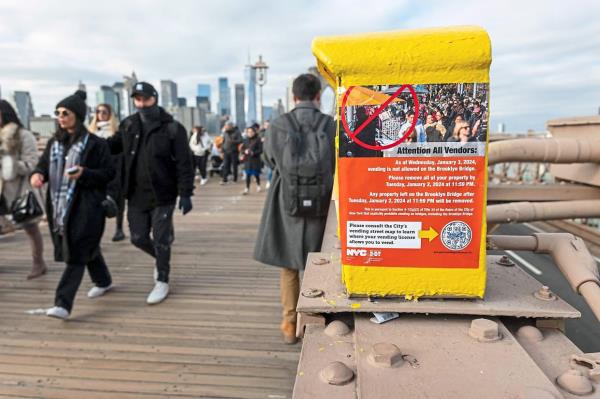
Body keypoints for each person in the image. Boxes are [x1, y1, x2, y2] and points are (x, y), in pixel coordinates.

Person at [254, 74, 335, 344]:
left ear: (293, 96)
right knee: (319, 263)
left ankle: (290, 323)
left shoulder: (278, 125)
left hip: (286, 200)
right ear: (318, 96)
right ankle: (316, 316)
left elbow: (268, 158)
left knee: (289, 266)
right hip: (322, 202)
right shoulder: (330, 125)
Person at [105, 82, 194, 305]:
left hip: (163, 193)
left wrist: (185, 193)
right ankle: (160, 260)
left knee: (162, 238)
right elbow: (111, 146)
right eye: (137, 99)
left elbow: (185, 163)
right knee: (138, 238)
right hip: (135, 193)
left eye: (146, 99)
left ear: (154, 98)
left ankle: (162, 279)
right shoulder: (128, 125)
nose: (141, 103)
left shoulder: (172, 128)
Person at [30, 90, 115, 319]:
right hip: (60, 207)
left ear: (77, 115)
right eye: (57, 112)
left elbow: (109, 173)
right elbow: (42, 166)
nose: (60, 116)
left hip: (87, 206)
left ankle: (63, 304)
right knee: (86, 247)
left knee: (76, 252)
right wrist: (38, 176)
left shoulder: (95, 144)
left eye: (65, 112)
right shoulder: (54, 143)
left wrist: (85, 174)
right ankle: (103, 280)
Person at [0, 100, 47, 279]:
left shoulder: (23, 135)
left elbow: (32, 164)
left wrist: (8, 162)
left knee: (30, 227)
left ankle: (38, 262)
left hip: (18, 189)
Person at [89, 103, 126, 242]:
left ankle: (119, 228)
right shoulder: (90, 132)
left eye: (104, 111)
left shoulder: (116, 131)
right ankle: (96, 232)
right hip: (96, 170)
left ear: (110, 113)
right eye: (98, 111)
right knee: (98, 202)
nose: (101, 114)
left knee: (119, 200)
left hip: (115, 167)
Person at [241, 126, 263, 195]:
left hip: (255, 159)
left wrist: (253, 152)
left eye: (251, 132)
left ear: (254, 132)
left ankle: (258, 185)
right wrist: (245, 151)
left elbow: (261, 150)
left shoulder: (258, 139)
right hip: (247, 160)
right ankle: (247, 188)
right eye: (248, 132)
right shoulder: (245, 139)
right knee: (248, 174)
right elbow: (242, 149)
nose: (250, 133)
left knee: (256, 174)